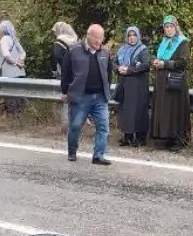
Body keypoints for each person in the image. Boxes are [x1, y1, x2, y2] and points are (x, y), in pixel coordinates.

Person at [59, 24, 114, 166]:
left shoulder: (105, 53)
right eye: (96, 38)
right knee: (76, 125)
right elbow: (66, 73)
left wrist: (106, 91)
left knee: (103, 127)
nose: (98, 42)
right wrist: (65, 91)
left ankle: (98, 155)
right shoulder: (73, 50)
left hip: (100, 97)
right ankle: (72, 151)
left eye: (101, 38)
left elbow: (108, 74)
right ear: (88, 36)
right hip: (80, 96)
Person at [149, 15, 192, 152]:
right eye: (166, 27)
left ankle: (178, 140)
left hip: (175, 81)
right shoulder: (164, 42)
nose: (168, 29)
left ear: (176, 27)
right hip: (163, 80)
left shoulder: (182, 42)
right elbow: (161, 58)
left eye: (171, 26)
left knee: (175, 110)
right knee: (165, 110)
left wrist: (164, 63)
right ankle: (165, 137)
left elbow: (182, 62)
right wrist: (156, 61)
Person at [114, 26, 151, 147]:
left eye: (134, 35)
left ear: (138, 36)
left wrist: (129, 70)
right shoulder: (122, 50)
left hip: (138, 85)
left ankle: (141, 138)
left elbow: (145, 66)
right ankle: (127, 137)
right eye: (129, 35)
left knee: (138, 110)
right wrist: (118, 68)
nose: (131, 38)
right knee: (125, 111)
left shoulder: (143, 50)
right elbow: (113, 64)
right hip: (124, 84)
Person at [50, 21, 79, 131]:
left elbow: (56, 56)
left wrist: (63, 67)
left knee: (66, 97)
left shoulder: (59, 42)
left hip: (65, 73)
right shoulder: (75, 40)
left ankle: (67, 124)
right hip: (77, 72)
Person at [0, 20, 28, 114]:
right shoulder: (14, 39)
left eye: (0, 28)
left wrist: (15, 63)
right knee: (19, 96)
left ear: (3, 29)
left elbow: (6, 55)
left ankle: (13, 117)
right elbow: (23, 52)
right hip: (19, 72)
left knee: (10, 97)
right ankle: (19, 116)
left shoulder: (4, 39)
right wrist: (21, 61)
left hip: (9, 73)